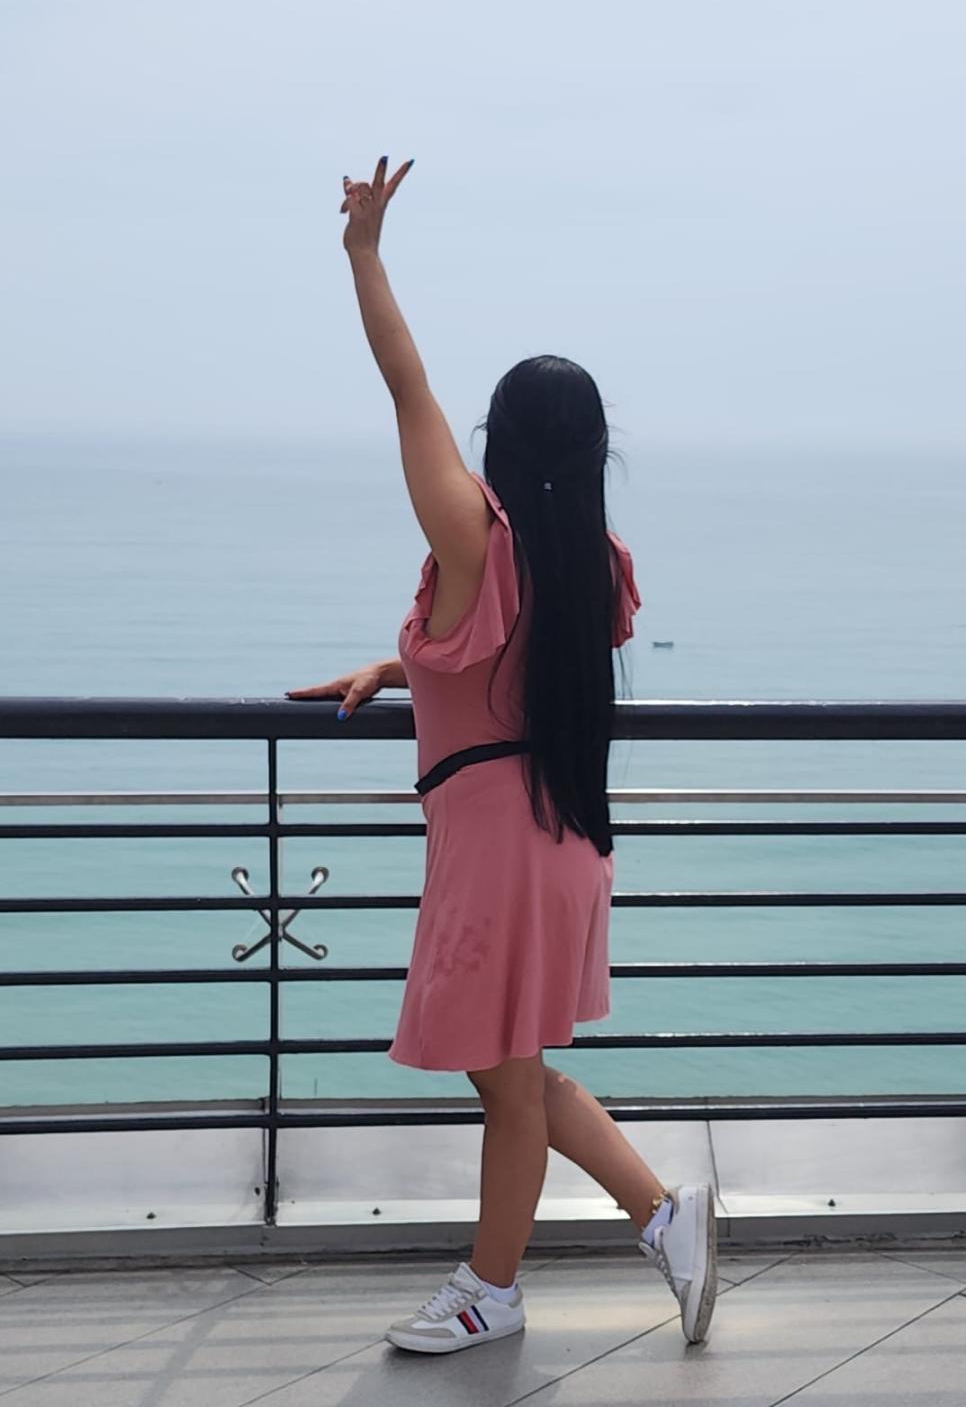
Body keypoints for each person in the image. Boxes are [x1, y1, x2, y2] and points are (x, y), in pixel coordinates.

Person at [286, 155, 718, 1353]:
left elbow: (404, 385)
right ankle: (663, 1216)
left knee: (506, 1085)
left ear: (500, 443)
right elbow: (513, 663)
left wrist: (364, 254)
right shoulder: (593, 560)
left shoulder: (481, 538)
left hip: (497, 855)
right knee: (514, 1077)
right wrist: (403, 667)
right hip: (561, 837)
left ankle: (493, 1290)